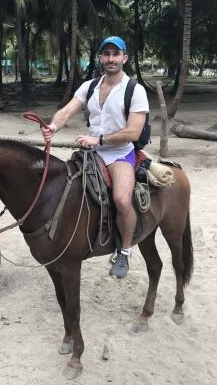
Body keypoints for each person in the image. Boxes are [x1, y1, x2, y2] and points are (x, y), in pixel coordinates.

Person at [41, 36, 149, 278]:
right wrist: (53, 127)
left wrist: (99, 139)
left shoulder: (135, 90)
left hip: (119, 154)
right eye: (106, 54)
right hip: (91, 152)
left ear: (124, 58)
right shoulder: (89, 86)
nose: (111, 58)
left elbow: (134, 131)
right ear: (100, 57)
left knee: (122, 199)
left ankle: (124, 251)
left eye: (115, 54)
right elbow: (67, 110)